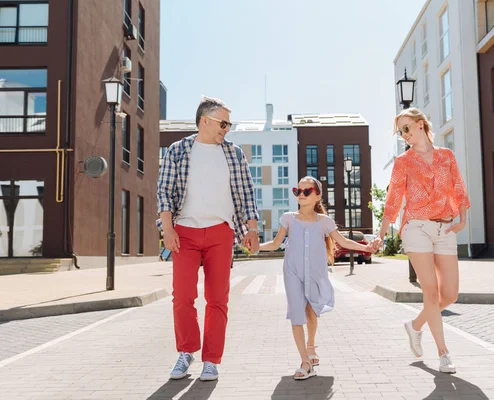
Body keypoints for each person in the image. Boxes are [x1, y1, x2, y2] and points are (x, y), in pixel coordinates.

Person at [157, 96, 259, 381]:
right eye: (223, 123)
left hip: (220, 232)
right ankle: (186, 352)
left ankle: (211, 360)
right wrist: (167, 229)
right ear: (205, 120)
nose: (227, 128)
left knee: (217, 299)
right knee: (183, 297)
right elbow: (164, 192)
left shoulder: (233, 154)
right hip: (184, 233)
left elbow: (245, 194)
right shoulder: (178, 150)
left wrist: (251, 229)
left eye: (229, 124)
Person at [372, 107, 470, 374]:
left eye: (406, 128)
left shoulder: (446, 156)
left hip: (445, 227)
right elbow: (393, 198)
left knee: (449, 294)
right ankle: (443, 353)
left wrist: (461, 220)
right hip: (416, 227)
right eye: (399, 131)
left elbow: (459, 187)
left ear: (420, 125)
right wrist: (381, 233)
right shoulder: (403, 161)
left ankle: (415, 326)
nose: (403, 135)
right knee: (431, 291)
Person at [260, 176, 374, 380]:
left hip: (315, 273)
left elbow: (343, 241)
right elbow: (276, 243)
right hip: (292, 272)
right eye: (298, 191)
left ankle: (311, 345)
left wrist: (366, 247)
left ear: (317, 196)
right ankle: (305, 361)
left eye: (306, 191)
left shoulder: (325, 222)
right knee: (296, 314)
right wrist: (255, 246)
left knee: (311, 313)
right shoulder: (288, 218)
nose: (301, 195)